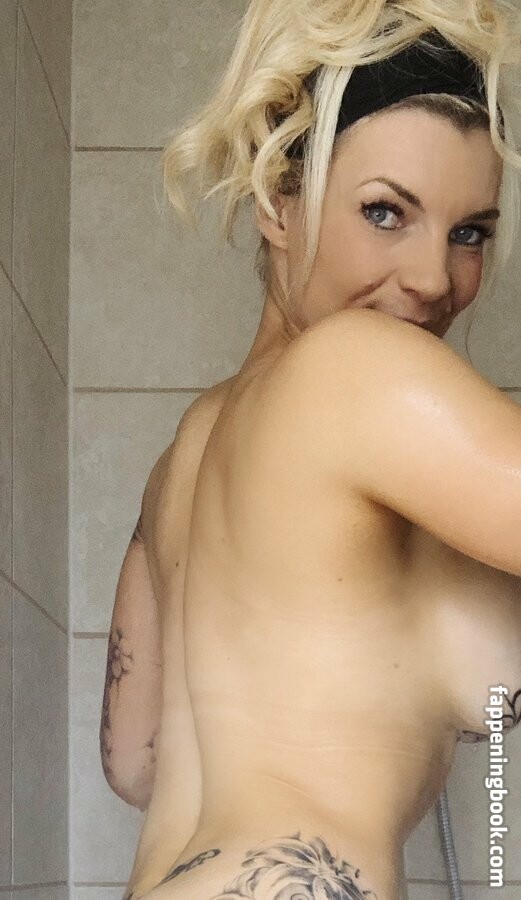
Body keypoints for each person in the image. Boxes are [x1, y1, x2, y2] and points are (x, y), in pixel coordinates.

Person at [100, 2, 521, 898]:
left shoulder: (184, 455)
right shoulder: (356, 365)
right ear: (275, 203)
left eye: (469, 233)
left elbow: (134, 760)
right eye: (385, 212)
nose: (432, 278)